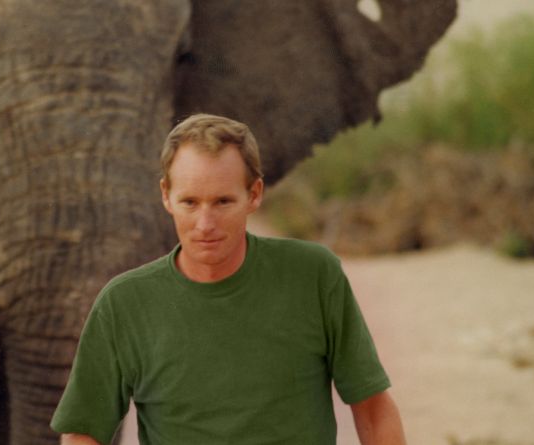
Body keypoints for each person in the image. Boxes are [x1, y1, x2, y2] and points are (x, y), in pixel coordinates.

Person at [51, 114, 405, 444]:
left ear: (254, 194)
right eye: (190, 202)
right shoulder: (123, 303)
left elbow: (373, 409)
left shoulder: (314, 275)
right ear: (165, 196)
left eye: (222, 201)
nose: (205, 224)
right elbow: (82, 432)